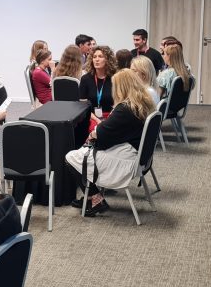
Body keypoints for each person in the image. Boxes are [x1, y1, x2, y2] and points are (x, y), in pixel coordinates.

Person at [65, 69, 155, 215]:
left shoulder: (125, 109)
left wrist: (93, 133)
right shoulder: (142, 104)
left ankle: (95, 199)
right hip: (139, 156)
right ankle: (90, 197)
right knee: (84, 153)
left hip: (128, 160)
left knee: (71, 157)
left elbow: (101, 134)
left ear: (121, 87)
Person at [79, 45, 118, 126]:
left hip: (112, 117)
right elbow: (83, 107)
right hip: (92, 117)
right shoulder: (85, 79)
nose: (97, 59)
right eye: (94, 57)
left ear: (108, 59)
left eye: (100, 56)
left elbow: (119, 105)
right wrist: (97, 120)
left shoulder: (115, 78)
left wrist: (108, 121)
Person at [156, 40, 193, 105]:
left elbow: (157, 97)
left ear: (169, 56)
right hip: (178, 107)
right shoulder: (187, 73)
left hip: (165, 107)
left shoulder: (166, 74)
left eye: (164, 54)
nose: (163, 56)